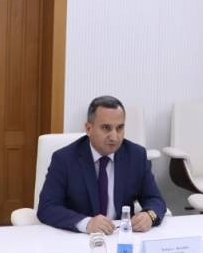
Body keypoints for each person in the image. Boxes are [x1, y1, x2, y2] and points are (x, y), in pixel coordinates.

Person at [38, 95, 167, 234]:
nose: (114, 137)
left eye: (119, 128)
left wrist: (149, 216)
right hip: (79, 238)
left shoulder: (136, 156)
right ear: (88, 128)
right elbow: (47, 207)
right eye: (106, 128)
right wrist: (86, 223)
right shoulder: (64, 159)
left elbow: (155, 200)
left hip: (120, 236)